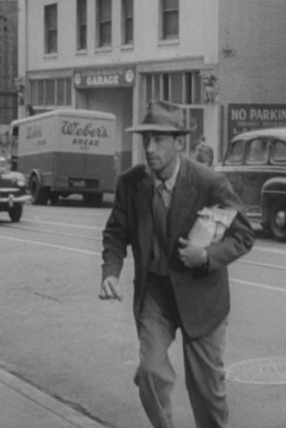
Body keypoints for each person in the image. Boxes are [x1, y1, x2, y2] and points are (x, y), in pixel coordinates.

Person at [99, 100, 255, 428]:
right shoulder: (131, 184)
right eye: (146, 140)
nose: (150, 148)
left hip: (202, 296)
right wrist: (110, 273)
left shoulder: (209, 183)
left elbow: (243, 236)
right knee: (150, 373)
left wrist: (207, 256)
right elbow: (115, 233)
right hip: (157, 294)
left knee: (207, 392)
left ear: (179, 143)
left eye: (159, 140)